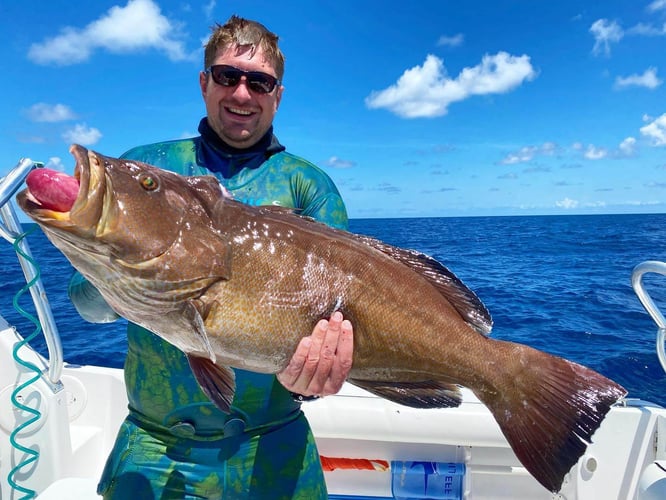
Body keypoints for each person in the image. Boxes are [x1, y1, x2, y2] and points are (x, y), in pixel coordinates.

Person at [68, 15, 354, 499]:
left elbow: (342, 311)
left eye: (259, 82)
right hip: (155, 445)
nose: (242, 94)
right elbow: (84, 307)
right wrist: (121, 275)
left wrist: (313, 378)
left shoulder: (309, 187)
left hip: (275, 445)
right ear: (205, 83)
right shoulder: (147, 167)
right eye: (227, 76)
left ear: (277, 95)